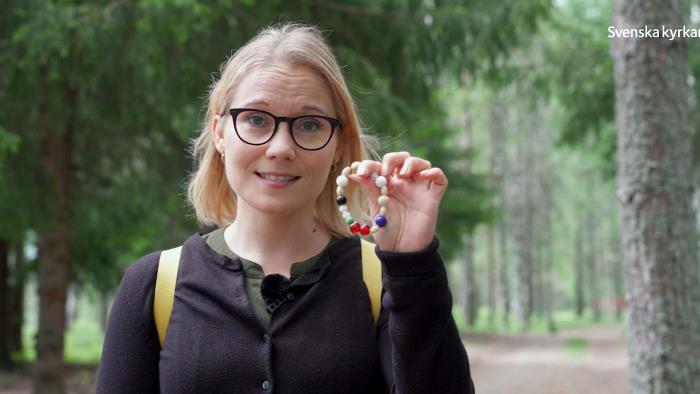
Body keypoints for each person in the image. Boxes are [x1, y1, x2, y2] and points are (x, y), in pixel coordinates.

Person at [96, 22, 475, 394]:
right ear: (220, 133)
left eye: (309, 125)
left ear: (338, 145)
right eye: (257, 120)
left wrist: (411, 265)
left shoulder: (383, 280)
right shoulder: (154, 286)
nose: (280, 148)